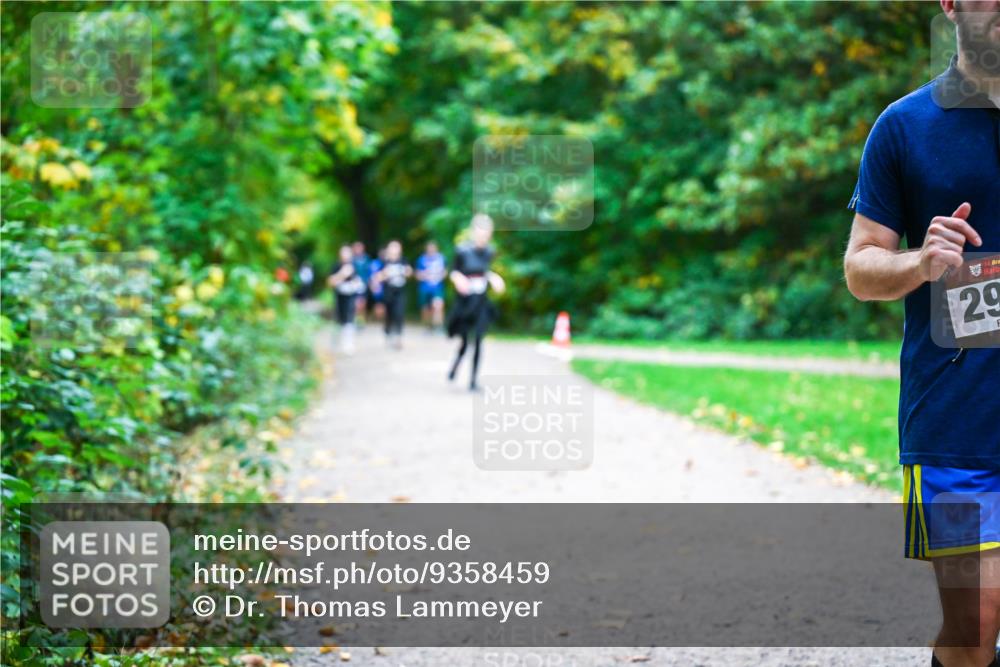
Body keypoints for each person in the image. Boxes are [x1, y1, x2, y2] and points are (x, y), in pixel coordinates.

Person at [843, 2, 999, 665]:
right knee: (974, 624)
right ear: (951, 3)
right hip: (956, 420)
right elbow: (860, 265)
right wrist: (920, 261)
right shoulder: (905, 126)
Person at [446, 214, 505, 391]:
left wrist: (494, 278)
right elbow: (453, 271)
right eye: (481, 231)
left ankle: (473, 381)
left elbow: (486, 271)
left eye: (488, 232)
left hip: (481, 302)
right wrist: (458, 279)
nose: (484, 235)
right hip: (465, 303)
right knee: (464, 342)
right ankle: (456, 365)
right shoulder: (462, 250)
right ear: (474, 231)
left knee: (479, 339)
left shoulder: (490, 251)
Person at [372, 240, 412, 349]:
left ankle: (398, 337)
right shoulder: (384, 262)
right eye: (392, 248)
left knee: (399, 313)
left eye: (397, 248)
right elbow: (376, 277)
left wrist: (406, 271)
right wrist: (385, 274)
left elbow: (410, 272)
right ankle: (388, 334)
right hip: (388, 292)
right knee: (389, 315)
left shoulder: (403, 261)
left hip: (400, 292)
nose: (394, 250)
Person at [328, 245, 364, 354]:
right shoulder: (336, 266)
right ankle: (335, 342)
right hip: (339, 297)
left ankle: (348, 344)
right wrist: (342, 274)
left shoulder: (354, 266)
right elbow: (330, 282)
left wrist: (356, 286)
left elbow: (359, 281)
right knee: (339, 320)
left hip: (351, 297)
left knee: (350, 320)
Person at [416, 241, 447, 332]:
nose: (431, 250)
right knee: (425, 309)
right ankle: (427, 326)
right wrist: (424, 275)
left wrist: (440, 276)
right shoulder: (421, 259)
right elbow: (417, 274)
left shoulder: (441, 258)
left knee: (438, 305)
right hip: (425, 288)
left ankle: (439, 326)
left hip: (437, 287)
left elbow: (445, 271)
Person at [351, 241, 371, 324]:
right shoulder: (351, 259)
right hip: (353, 284)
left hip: (364, 284)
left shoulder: (366, 258)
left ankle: (361, 318)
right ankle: (355, 318)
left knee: (363, 302)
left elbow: (369, 271)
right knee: (355, 302)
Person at [368, 248, 386, 324]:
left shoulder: (387, 263)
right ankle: (378, 319)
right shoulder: (374, 263)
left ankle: (383, 318)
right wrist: (372, 285)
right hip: (378, 287)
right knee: (378, 303)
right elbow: (371, 276)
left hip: (386, 287)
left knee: (384, 303)